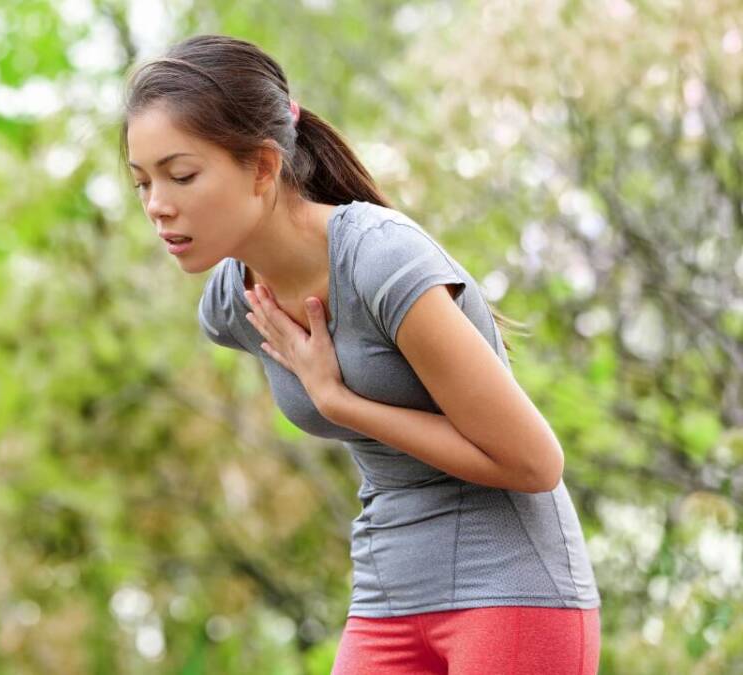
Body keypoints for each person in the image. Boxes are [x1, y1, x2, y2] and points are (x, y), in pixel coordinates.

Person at [120, 34, 601, 674]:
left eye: (181, 175)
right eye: (142, 182)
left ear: (264, 167)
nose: (157, 205)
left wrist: (340, 402)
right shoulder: (230, 304)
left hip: (509, 587)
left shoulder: (379, 259)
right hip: (387, 594)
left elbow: (536, 463)